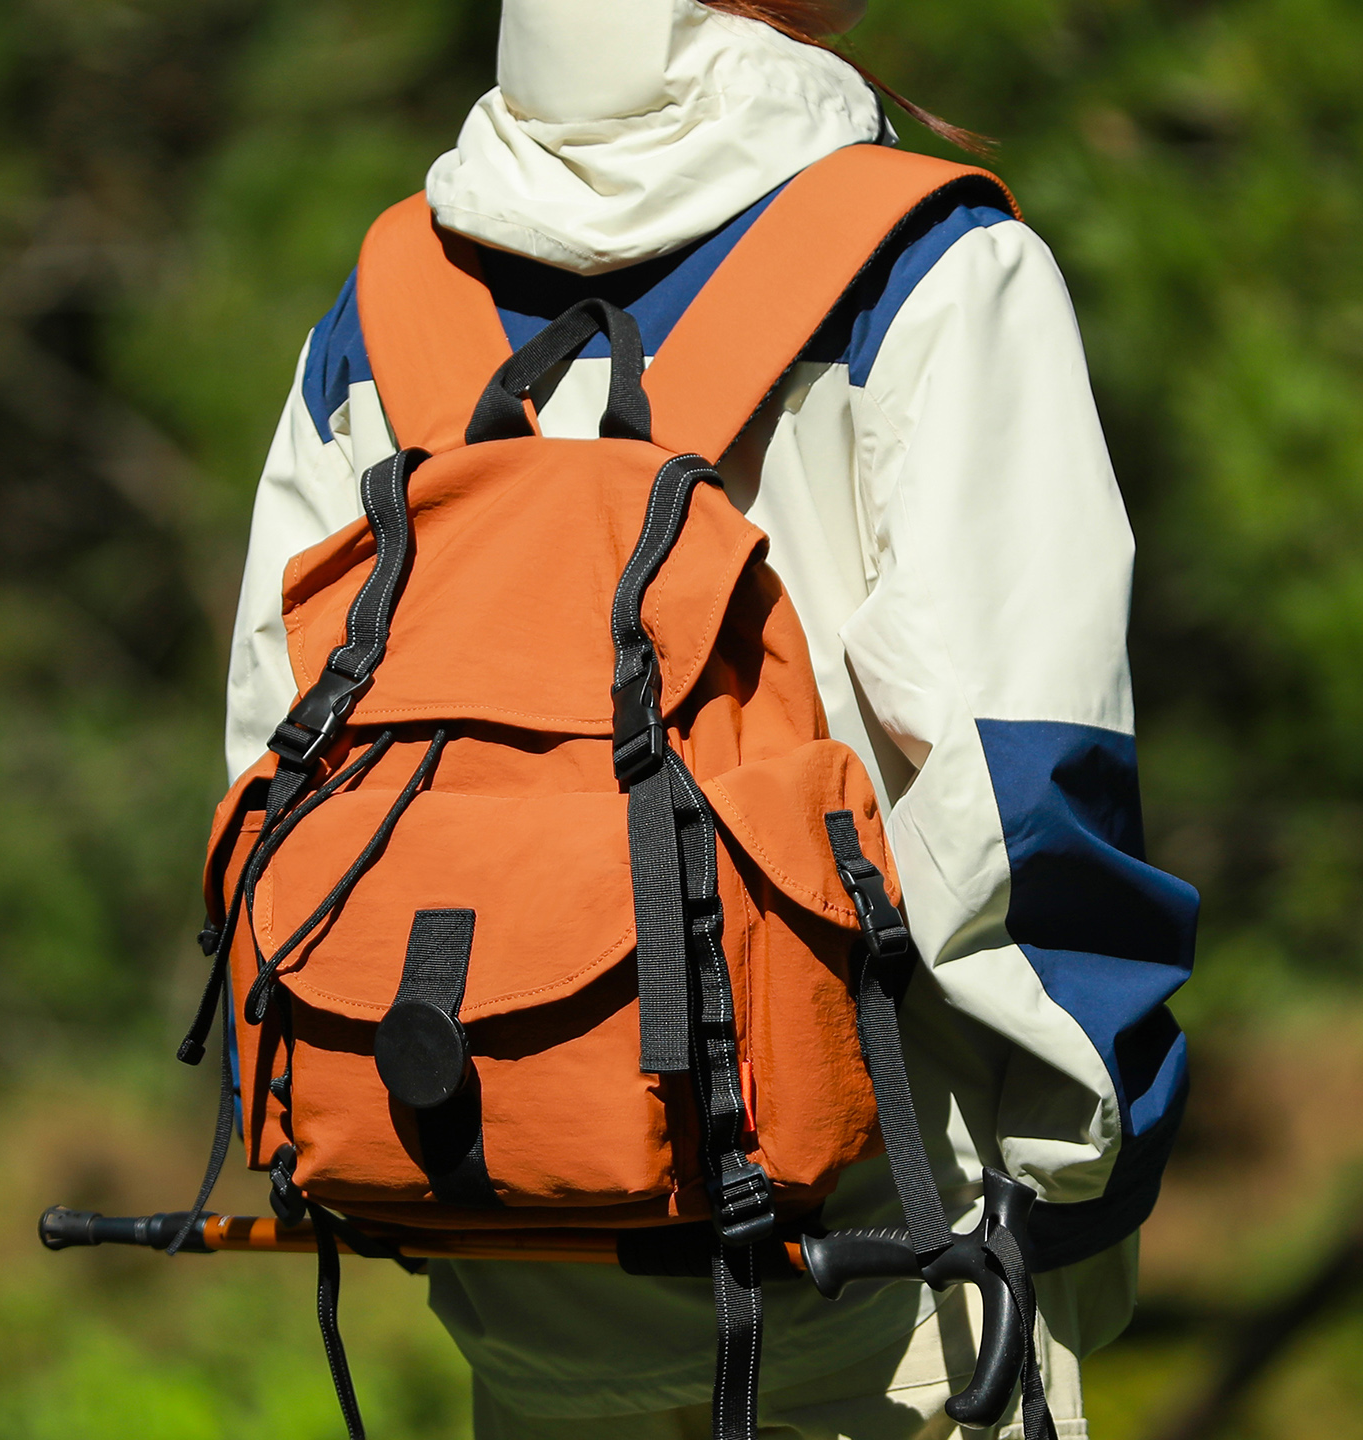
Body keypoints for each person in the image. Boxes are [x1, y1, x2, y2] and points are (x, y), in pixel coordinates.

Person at [223, 0, 1198, 1435]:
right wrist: (1068, 1190)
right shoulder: (931, 270)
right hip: (888, 1259)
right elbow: (1022, 788)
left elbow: (270, 768)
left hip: (515, 1243)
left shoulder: (380, 311)